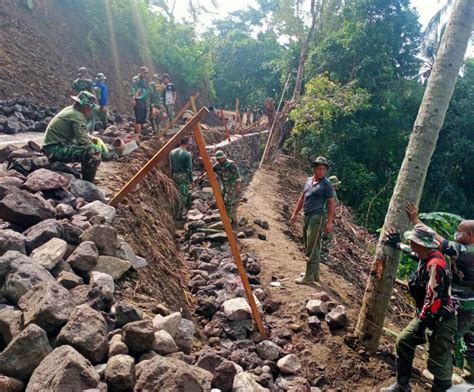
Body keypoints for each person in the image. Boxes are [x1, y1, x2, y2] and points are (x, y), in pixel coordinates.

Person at [383, 224, 457, 392]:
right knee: (404, 341)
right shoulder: (426, 256)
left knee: (438, 361)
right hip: (426, 314)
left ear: (421, 244)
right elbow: (412, 253)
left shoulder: (436, 264)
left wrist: (421, 324)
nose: (410, 242)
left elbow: (433, 299)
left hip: (441, 320)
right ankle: (401, 385)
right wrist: (397, 244)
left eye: (412, 241)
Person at [406, 203, 474, 384]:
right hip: (471, 306)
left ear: (470, 235)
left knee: (445, 341)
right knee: (472, 345)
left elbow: (435, 240)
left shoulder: (464, 251)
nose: (456, 234)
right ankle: (469, 382)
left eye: (460, 232)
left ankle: (442, 380)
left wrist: (415, 220)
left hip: (463, 305)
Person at [43, 91, 106, 183]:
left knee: (91, 148)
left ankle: (87, 175)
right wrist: (97, 150)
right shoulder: (76, 116)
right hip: (54, 149)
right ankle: (88, 182)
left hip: (54, 146)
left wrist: (93, 139)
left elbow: (81, 133)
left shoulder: (72, 110)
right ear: (85, 107)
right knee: (93, 152)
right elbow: (83, 140)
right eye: (90, 108)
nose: (91, 110)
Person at [290, 157, 335, 284]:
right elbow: (303, 197)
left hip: (318, 217)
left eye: (324, 169)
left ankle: (309, 277)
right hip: (307, 216)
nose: (321, 171)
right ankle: (314, 274)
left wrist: (330, 221)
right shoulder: (309, 181)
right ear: (314, 169)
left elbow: (332, 203)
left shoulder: (326, 185)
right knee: (310, 244)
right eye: (319, 168)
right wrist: (295, 213)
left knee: (312, 246)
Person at [209, 150, 241, 226]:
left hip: (231, 185)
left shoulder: (231, 164)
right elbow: (210, 170)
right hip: (224, 185)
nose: (219, 160)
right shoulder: (218, 165)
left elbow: (237, 174)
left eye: (220, 159)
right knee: (221, 199)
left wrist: (238, 184)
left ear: (224, 157)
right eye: (217, 159)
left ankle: (229, 219)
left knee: (228, 201)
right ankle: (225, 215)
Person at [170, 137, 193, 218]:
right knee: (183, 195)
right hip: (183, 176)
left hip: (175, 175)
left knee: (176, 194)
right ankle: (179, 214)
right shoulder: (187, 154)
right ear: (187, 143)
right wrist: (191, 180)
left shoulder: (172, 152)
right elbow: (189, 169)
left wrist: (171, 177)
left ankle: (175, 212)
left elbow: (171, 166)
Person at [131, 66, 150, 135]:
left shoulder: (143, 80)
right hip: (138, 99)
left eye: (147, 73)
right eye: (145, 73)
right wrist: (133, 99)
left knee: (143, 116)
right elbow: (133, 89)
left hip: (143, 100)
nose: (146, 74)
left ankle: (137, 133)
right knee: (139, 117)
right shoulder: (136, 79)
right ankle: (138, 134)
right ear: (140, 71)